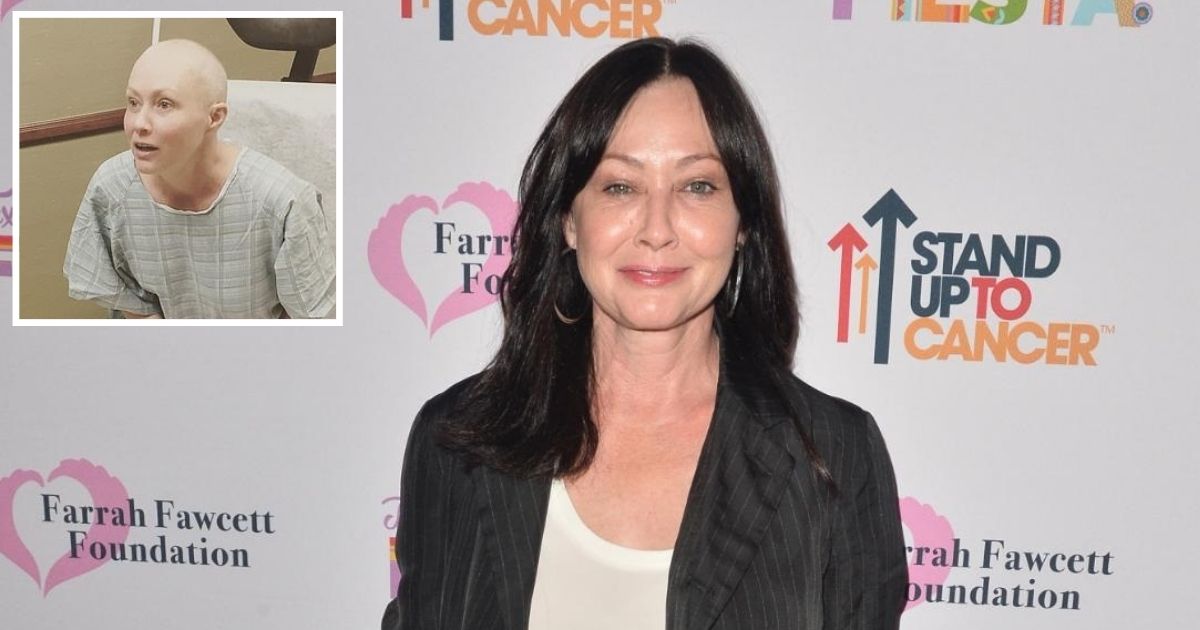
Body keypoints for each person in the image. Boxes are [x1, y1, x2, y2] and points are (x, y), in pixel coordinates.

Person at [383, 38, 906, 629]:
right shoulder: (456, 441)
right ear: (568, 219)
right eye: (620, 187)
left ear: (743, 223)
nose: (657, 229)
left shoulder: (832, 452)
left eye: (697, 186)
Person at [63, 39, 335, 319]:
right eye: (133, 103)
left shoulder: (283, 202)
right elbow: (128, 302)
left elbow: (309, 322)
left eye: (164, 104)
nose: (139, 124)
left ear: (214, 117)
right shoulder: (112, 187)